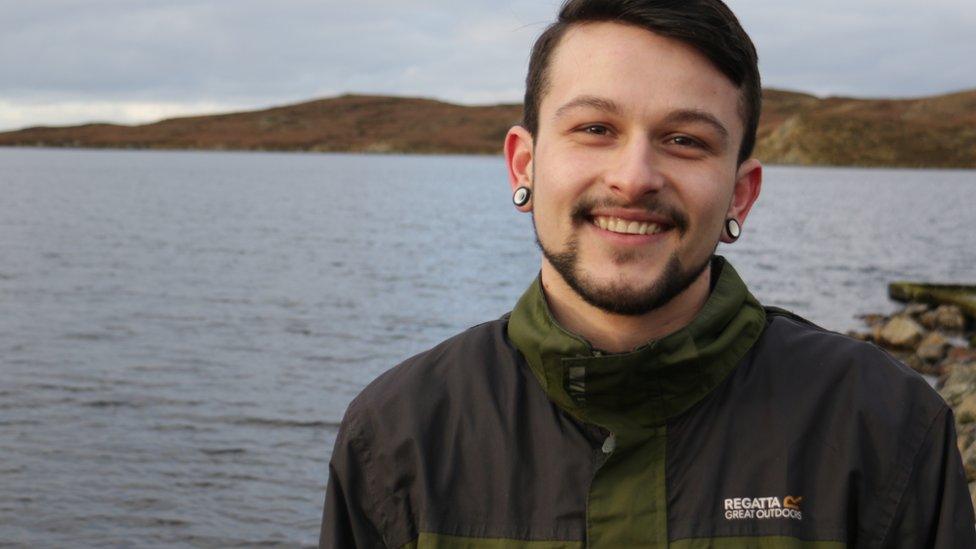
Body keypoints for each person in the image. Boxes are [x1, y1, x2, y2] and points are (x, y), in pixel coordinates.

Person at [320, 0, 975, 547]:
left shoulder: (884, 427)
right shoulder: (398, 437)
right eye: (596, 127)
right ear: (524, 164)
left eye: (685, 139)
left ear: (740, 195)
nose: (634, 177)